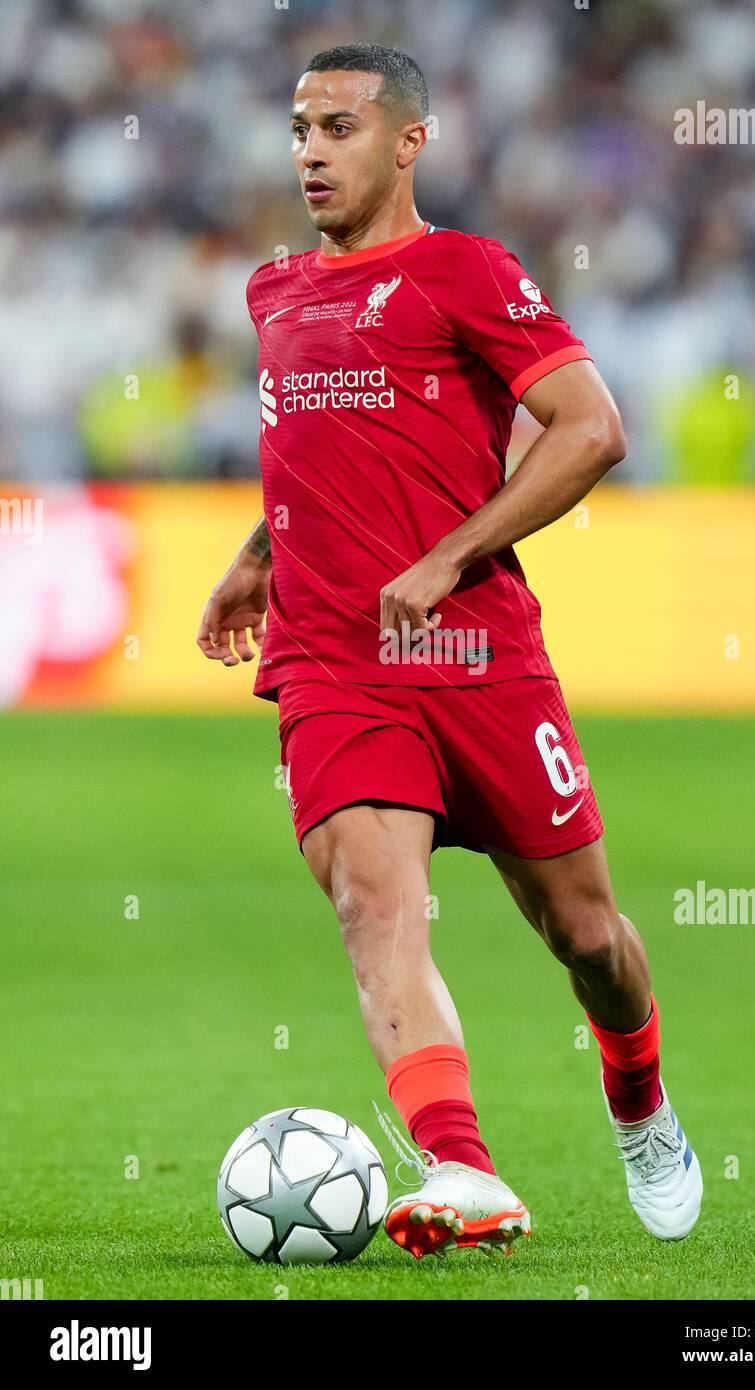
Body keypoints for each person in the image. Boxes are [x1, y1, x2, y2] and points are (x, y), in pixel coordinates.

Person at [197, 43, 701, 1259]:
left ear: (410, 141)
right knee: (374, 901)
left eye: (341, 127)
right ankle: (464, 1167)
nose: (311, 150)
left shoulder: (465, 272)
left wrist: (446, 559)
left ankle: (638, 1093)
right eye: (301, 127)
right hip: (336, 657)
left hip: (479, 654)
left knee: (589, 937)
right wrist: (260, 549)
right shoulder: (275, 291)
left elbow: (591, 430)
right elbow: (324, 446)